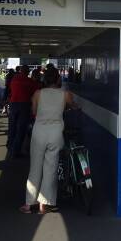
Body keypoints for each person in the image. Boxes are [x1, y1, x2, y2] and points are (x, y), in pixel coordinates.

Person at [19, 66, 76, 214]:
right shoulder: (65, 94)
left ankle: (28, 204)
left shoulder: (38, 93)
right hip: (56, 133)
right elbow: (73, 107)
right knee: (51, 168)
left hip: (39, 132)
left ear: (45, 79)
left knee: (35, 167)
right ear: (58, 79)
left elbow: (34, 111)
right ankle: (43, 205)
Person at [8, 66, 39, 158]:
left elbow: (11, 89)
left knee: (12, 127)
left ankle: (10, 147)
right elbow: (36, 93)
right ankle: (15, 151)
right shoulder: (30, 81)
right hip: (24, 105)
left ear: (21, 71)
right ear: (28, 72)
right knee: (21, 129)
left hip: (13, 104)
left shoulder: (14, 79)